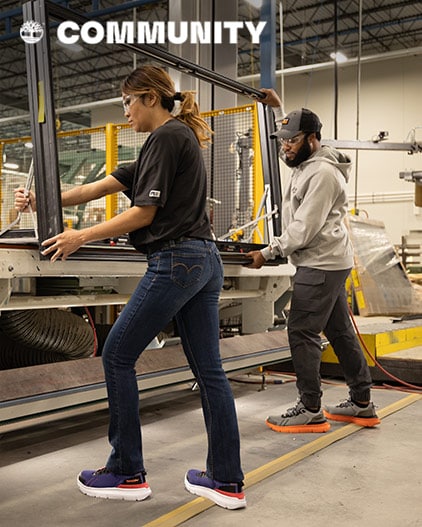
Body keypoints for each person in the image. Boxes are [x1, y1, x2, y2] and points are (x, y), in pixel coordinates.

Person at [15, 64, 246, 509]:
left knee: (118, 353)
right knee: (210, 372)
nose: (124, 115)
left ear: (150, 98)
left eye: (127, 103)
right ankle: (225, 480)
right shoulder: (168, 142)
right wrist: (42, 199)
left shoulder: (166, 137)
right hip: (203, 259)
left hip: (177, 260)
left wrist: (79, 235)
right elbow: (99, 187)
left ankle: (125, 471)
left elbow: (144, 215)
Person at [247, 88, 380, 433]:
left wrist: (268, 251)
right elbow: (291, 150)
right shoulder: (306, 162)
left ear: (313, 139)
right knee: (338, 330)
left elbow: (304, 228)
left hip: (320, 262)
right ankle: (362, 401)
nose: (285, 146)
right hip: (329, 260)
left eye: (292, 140)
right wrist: (278, 109)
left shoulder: (321, 173)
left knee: (302, 331)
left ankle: (310, 407)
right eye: (283, 140)